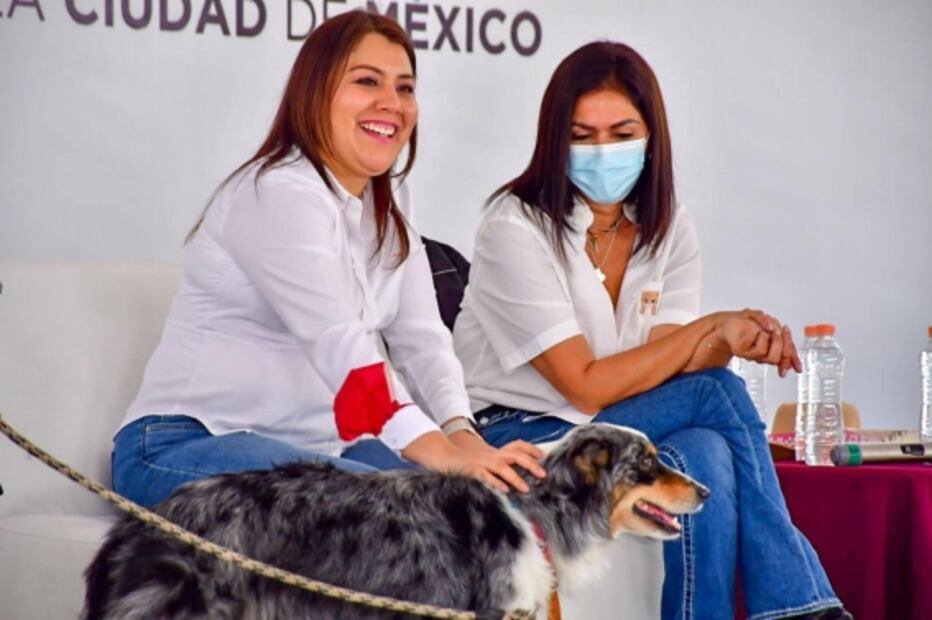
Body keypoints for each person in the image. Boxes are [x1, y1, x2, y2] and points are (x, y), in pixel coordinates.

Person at [453, 41, 850, 620]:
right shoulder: (514, 225)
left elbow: (668, 365)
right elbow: (584, 385)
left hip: (611, 426)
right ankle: (795, 603)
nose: (602, 150)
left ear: (651, 136)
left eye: (621, 132)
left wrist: (726, 340)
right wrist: (709, 332)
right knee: (716, 392)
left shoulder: (669, 227)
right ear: (553, 137)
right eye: (582, 135)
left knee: (706, 449)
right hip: (514, 435)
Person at [111, 10, 543, 509]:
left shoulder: (393, 198)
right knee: (390, 510)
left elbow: (421, 338)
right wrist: (440, 456)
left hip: (314, 449)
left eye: (405, 88)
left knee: (471, 506)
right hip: (180, 445)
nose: (392, 104)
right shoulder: (275, 192)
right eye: (366, 82)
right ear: (316, 92)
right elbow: (344, 350)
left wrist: (460, 435)